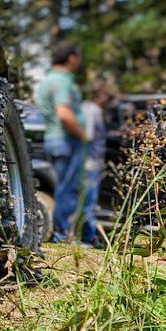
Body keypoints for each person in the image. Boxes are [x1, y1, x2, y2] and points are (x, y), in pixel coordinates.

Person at [35, 43, 87, 242]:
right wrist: (83, 135)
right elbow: (64, 114)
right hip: (67, 139)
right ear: (71, 58)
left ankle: (61, 232)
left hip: (54, 138)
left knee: (62, 187)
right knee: (68, 188)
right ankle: (64, 234)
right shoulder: (61, 81)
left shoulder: (47, 80)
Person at [77, 79, 118, 246]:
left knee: (88, 201)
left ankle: (88, 235)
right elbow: (87, 136)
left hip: (90, 162)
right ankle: (88, 237)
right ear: (101, 97)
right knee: (89, 201)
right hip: (89, 163)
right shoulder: (91, 110)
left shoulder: (87, 109)